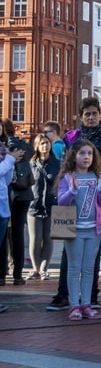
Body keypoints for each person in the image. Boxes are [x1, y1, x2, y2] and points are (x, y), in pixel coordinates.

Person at [56, 141, 101, 321]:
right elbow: (62, 202)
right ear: (74, 155)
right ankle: (74, 305)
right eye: (82, 153)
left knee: (89, 269)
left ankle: (86, 304)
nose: (86, 157)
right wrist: (73, 190)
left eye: (90, 153)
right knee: (74, 268)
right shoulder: (67, 177)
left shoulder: (96, 176)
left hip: (93, 229)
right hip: (74, 229)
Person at [0, 119, 34, 286]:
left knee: (6, 235)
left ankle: (5, 272)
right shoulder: (20, 147)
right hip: (21, 195)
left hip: (8, 197)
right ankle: (16, 273)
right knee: (17, 234)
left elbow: (5, 176)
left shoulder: (5, 148)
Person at [27, 132, 60, 279]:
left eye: (47, 142)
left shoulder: (56, 163)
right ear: (37, 146)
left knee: (48, 238)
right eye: (42, 143)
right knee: (35, 238)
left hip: (51, 205)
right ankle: (35, 269)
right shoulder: (31, 163)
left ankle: (44, 269)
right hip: (34, 206)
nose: (45, 145)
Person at [0, 139, 21, 312]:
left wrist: (8, 160)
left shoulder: (4, 159)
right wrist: (10, 159)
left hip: (2, 209)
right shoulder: (7, 160)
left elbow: (6, 181)